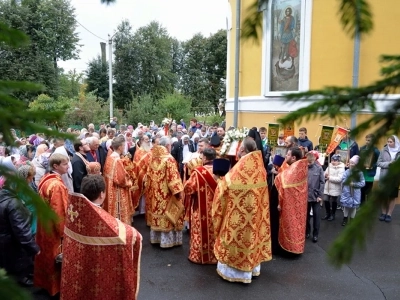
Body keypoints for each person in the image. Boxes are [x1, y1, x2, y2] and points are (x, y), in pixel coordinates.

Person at [60, 175, 142, 300]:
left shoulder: (74, 214)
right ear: (102, 194)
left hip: (79, 273)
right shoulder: (102, 223)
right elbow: (132, 236)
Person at [212, 137, 271, 283]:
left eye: (239, 147)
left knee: (236, 239)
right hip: (255, 215)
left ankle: (234, 273)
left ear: (243, 150)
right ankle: (252, 268)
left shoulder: (240, 167)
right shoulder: (260, 167)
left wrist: (218, 181)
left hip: (237, 218)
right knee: (251, 238)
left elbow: (224, 188)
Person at [35, 153, 69, 297]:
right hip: (54, 229)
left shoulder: (45, 179)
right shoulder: (56, 185)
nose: (68, 166)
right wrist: (64, 233)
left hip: (44, 225)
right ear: (56, 166)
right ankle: (56, 288)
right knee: (55, 257)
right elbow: (59, 212)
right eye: (65, 164)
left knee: (46, 254)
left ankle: (46, 285)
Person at [0, 168, 40, 286]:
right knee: (18, 269)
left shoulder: (4, 197)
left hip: (4, 240)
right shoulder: (13, 203)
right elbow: (21, 230)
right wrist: (34, 248)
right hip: (12, 242)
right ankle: (23, 279)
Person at [147, 136, 184, 248]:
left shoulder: (153, 157)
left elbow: (148, 175)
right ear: (168, 146)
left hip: (155, 194)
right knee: (168, 216)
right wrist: (179, 193)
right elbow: (173, 179)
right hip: (167, 194)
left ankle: (157, 239)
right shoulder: (169, 159)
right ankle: (167, 241)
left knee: (158, 213)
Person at [184, 148, 217, 264]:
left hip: (201, 209)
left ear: (204, 158)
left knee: (201, 231)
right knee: (215, 231)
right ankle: (216, 256)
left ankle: (199, 256)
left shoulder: (198, 172)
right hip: (217, 209)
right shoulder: (222, 171)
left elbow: (188, 189)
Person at [275, 147, 308, 254]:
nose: (286, 157)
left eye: (288, 155)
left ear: (293, 158)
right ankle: (297, 247)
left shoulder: (297, 168)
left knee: (291, 225)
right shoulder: (299, 166)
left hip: (292, 205)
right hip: (298, 204)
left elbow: (286, 184)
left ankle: (291, 249)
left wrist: (278, 176)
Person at [103, 136, 135, 225]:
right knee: (118, 213)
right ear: (120, 147)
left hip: (110, 189)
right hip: (117, 191)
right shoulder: (117, 160)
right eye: (123, 145)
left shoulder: (109, 157)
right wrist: (129, 181)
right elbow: (121, 180)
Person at [377, 135, 400, 223]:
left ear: (395, 142)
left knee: (392, 196)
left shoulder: (399, 151)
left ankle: (389, 214)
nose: (389, 144)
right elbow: (378, 163)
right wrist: (388, 164)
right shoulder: (384, 150)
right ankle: (383, 213)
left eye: (391, 142)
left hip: (394, 177)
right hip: (384, 177)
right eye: (388, 142)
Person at [305, 151, 325, 243]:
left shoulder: (319, 168)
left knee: (316, 216)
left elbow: (322, 182)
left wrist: (320, 195)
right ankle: (307, 232)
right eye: (307, 162)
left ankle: (315, 234)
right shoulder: (303, 167)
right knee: (306, 216)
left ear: (314, 160)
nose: (308, 164)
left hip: (316, 196)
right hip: (305, 196)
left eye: (310, 162)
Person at [340, 155, 365, 226]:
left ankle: (352, 219)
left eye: (352, 163)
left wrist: (354, 184)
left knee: (353, 207)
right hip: (347, 191)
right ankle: (345, 218)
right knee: (346, 205)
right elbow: (343, 180)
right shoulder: (347, 171)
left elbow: (362, 183)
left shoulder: (360, 173)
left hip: (355, 192)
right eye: (350, 163)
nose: (350, 164)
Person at [322, 154, 345, 221]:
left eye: (335, 160)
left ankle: (333, 214)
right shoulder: (329, 166)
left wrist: (330, 178)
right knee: (326, 199)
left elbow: (339, 179)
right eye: (332, 160)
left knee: (334, 201)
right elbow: (324, 174)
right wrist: (325, 175)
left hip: (335, 187)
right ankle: (327, 213)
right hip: (327, 186)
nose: (333, 162)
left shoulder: (341, 168)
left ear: (338, 161)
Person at [359, 134, 380, 205]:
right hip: (362, 173)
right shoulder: (362, 149)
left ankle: (368, 207)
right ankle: (362, 206)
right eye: (367, 140)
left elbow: (379, 162)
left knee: (368, 191)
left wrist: (372, 166)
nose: (367, 142)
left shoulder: (376, 150)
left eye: (369, 141)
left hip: (370, 174)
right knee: (361, 191)